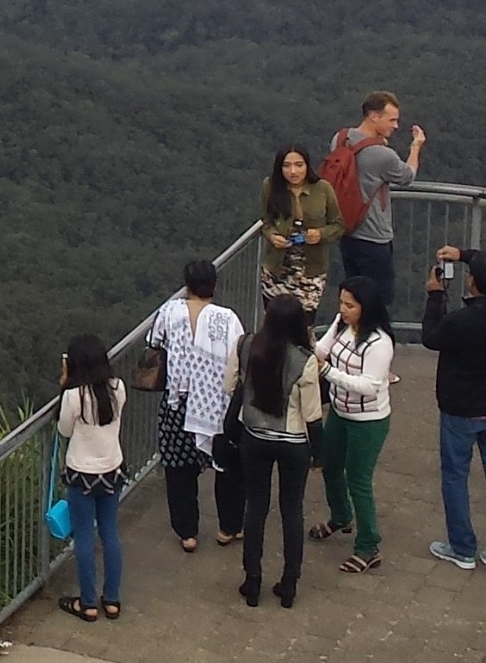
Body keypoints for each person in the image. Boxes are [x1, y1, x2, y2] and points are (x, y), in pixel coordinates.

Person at [423, 246, 486, 575]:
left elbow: (430, 337)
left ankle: (463, 549)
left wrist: (435, 296)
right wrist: (467, 255)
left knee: (455, 476)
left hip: (461, 410)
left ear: (473, 285)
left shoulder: (460, 321)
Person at [230, 291, 323, 607]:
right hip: (293, 441)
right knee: (291, 509)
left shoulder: (246, 346)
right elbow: (312, 414)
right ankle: (289, 583)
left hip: (254, 436)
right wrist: (318, 454)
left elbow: (231, 387)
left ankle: (252, 580)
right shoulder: (304, 361)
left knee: (255, 507)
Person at [150, 257, 248, 551]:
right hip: (217, 403)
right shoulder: (227, 318)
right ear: (214, 285)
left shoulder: (169, 311)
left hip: (177, 401)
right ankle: (228, 528)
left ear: (186, 285)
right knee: (227, 465)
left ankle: (188, 533)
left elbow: (153, 343)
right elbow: (239, 353)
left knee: (178, 469)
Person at [311, 274, 394, 573]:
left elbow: (370, 384)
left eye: (350, 305)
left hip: (368, 420)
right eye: (342, 303)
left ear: (366, 307)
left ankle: (369, 545)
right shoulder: (342, 325)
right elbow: (321, 349)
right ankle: (341, 516)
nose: (343, 309)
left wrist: (328, 372)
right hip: (340, 411)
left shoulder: (379, 343)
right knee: (330, 465)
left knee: (359, 480)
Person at [57, 332, 127, 622]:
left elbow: (64, 430)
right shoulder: (118, 387)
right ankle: (111, 600)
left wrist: (64, 384)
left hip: (82, 474)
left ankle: (86, 603)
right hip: (112, 469)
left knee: (84, 537)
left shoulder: (75, 396)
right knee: (110, 533)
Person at [325, 93, 422, 301]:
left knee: (352, 299)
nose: (396, 126)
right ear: (374, 116)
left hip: (346, 231)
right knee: (378, 301)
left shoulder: (340, 138)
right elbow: (407, 176)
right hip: (374, 237)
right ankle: (378, 334)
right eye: (392, 119)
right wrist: (416, 147)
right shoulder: (382, 155)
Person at [259, 145, 345, 317]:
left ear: (307, 166)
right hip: (277, 269)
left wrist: (320, 234)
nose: (293, 171)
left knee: (304, 324)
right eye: (287, 166)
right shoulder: (270, 186)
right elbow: (266, 221)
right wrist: (272, 236)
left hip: (311, 271)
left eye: (299, 165)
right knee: (275, 323)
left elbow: (338, 225)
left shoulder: (323, 189)